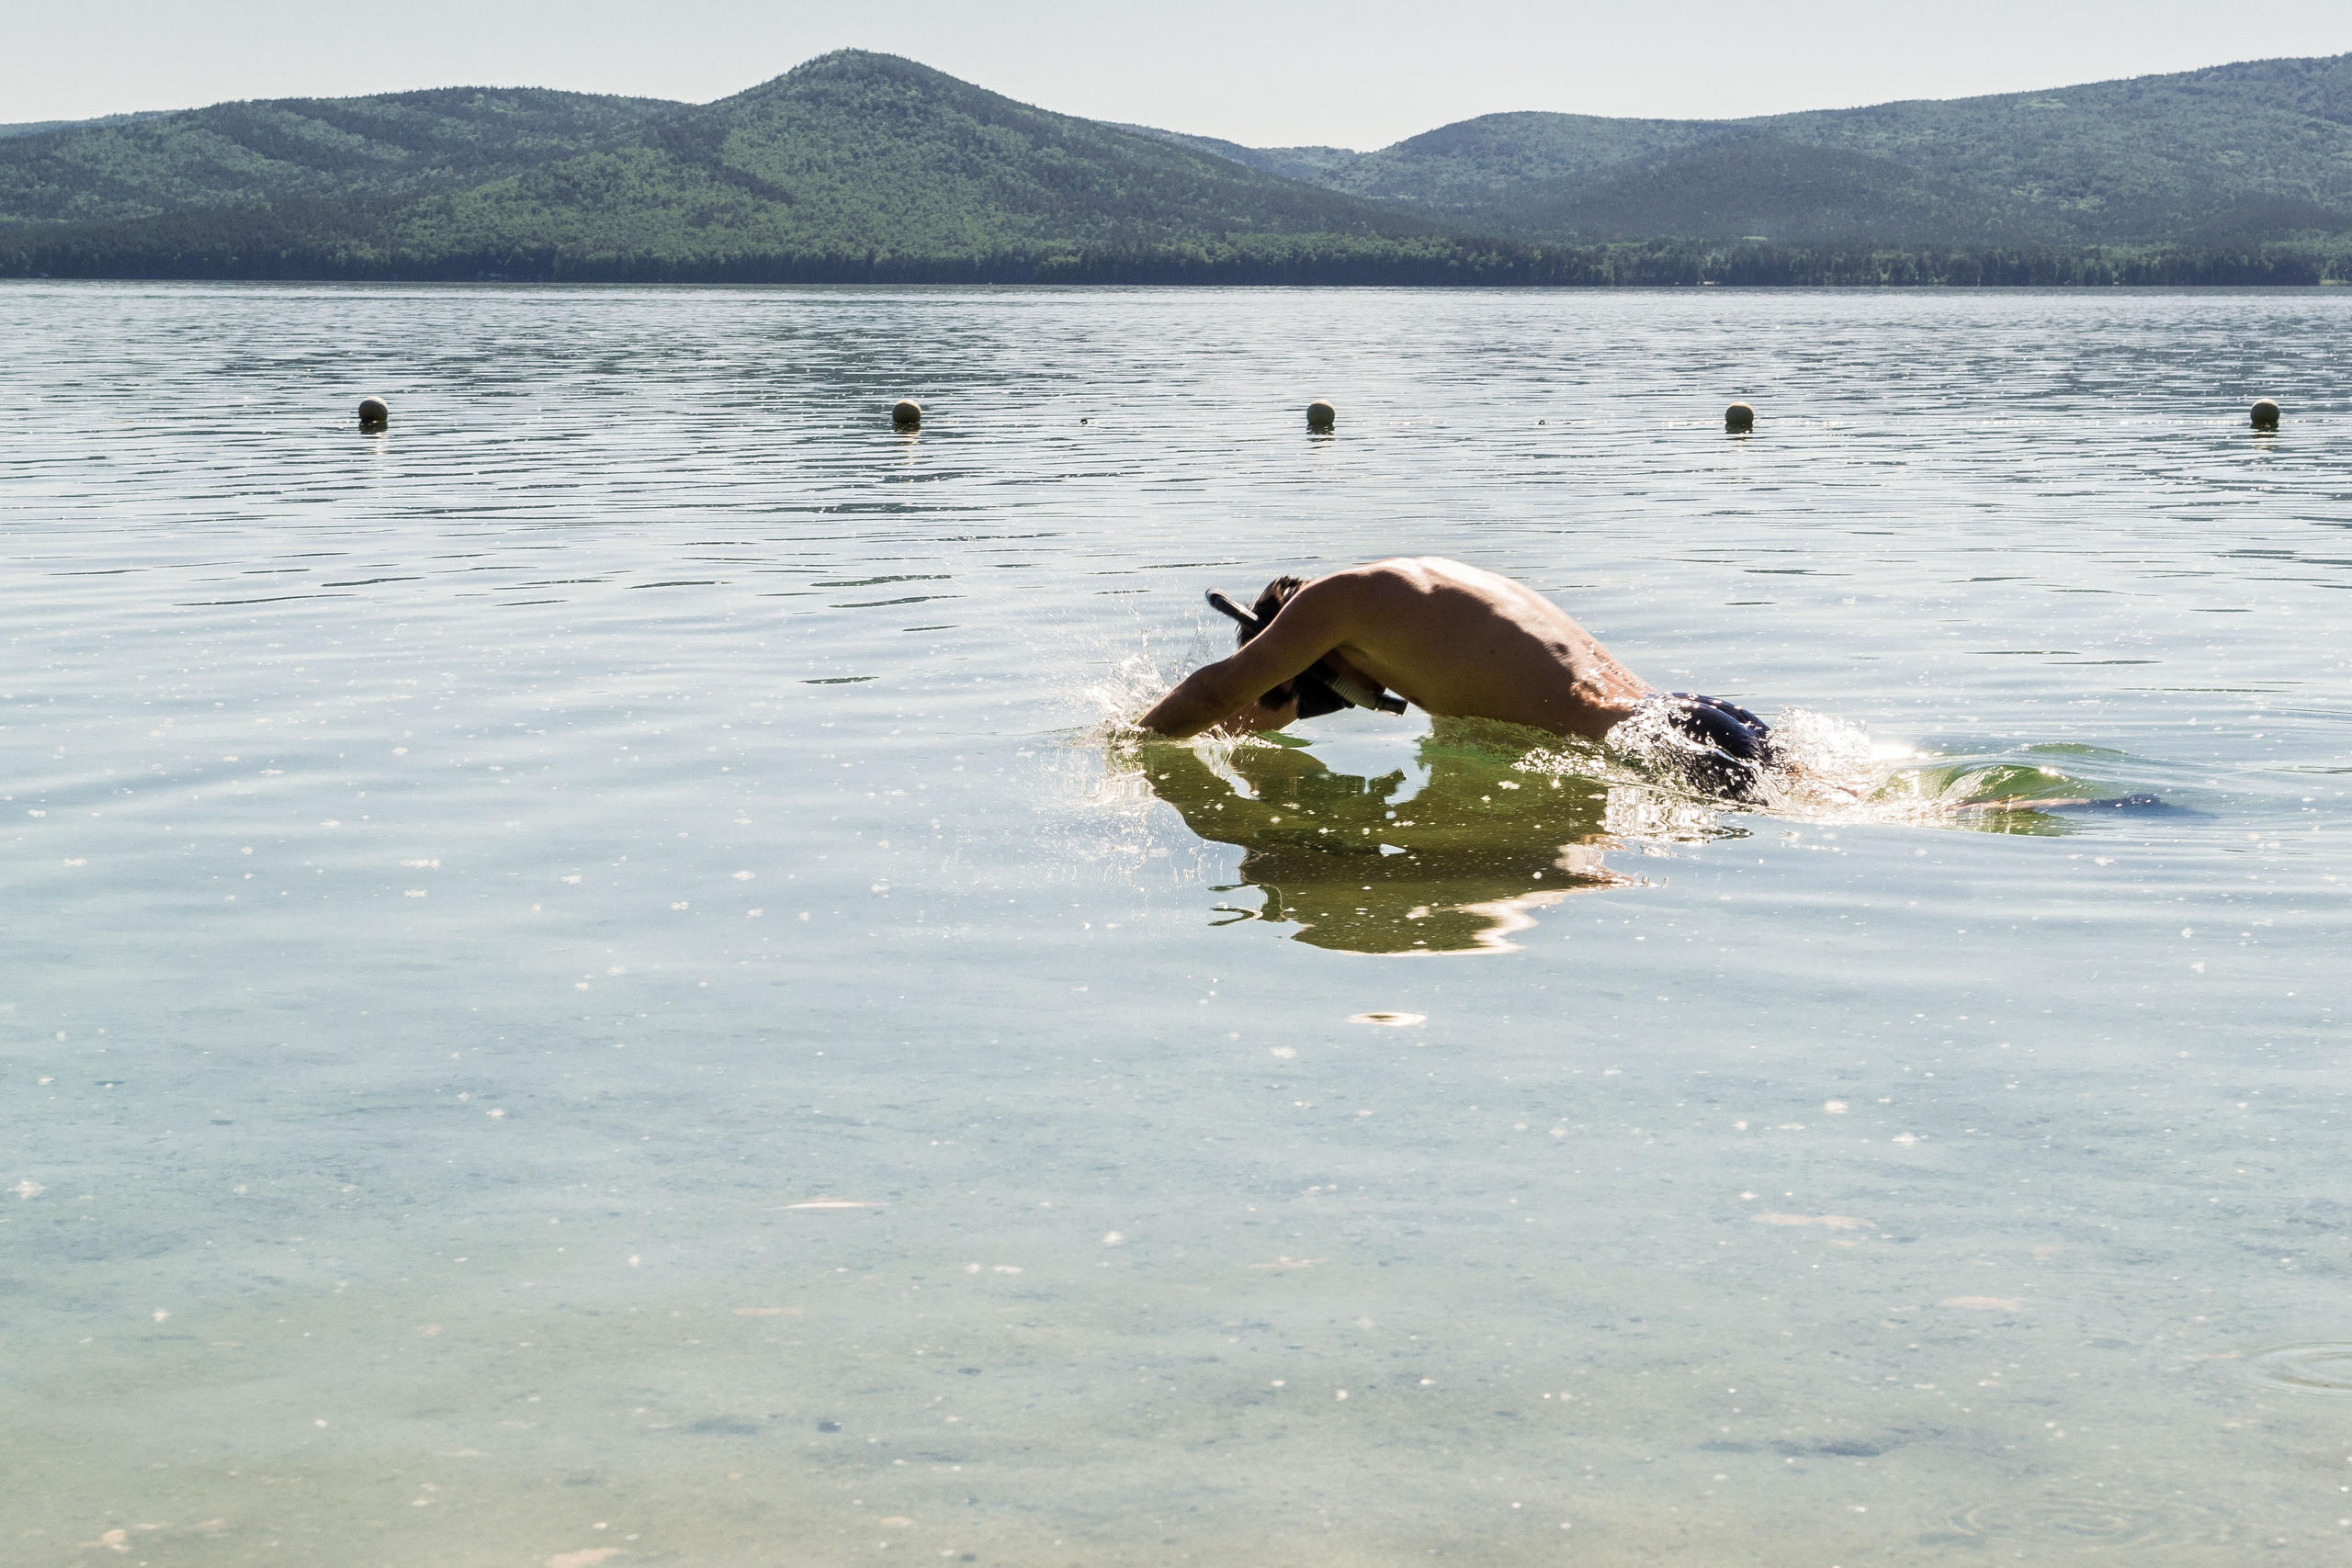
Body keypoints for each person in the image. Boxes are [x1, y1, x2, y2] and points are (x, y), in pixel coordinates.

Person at [1135, 556, 1776, 799]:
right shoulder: (1420, 588)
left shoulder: (1332, 603)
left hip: (1668, 750)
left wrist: (1129, 741)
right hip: (1693, 714)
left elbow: (1219, 692)